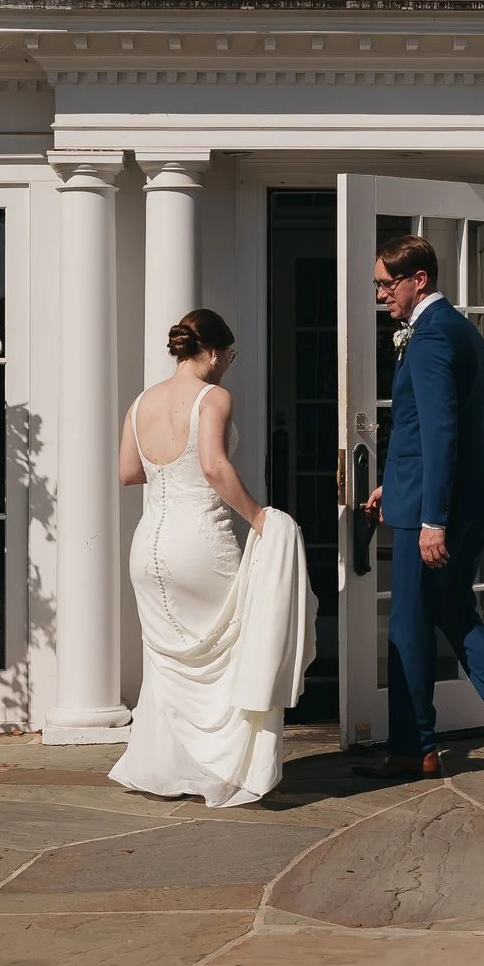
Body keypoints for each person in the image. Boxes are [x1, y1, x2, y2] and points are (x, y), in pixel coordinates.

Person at [352, 235, 484, 777]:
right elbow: (431, 430)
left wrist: (430, 516)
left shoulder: (432, 336)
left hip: (434, 510)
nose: (381, 295)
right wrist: (395, 482)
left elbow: (439, 433)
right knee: (454, 608)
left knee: (408, 626)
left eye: (387, 285)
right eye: (377, 285)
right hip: (464, 499)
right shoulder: (460, 330)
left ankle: (415, 749)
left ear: (420, 279)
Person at [109, 307, 315, 807]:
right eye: (232, 355)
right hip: (200, 542)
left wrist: (167, 477)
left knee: (169, 661)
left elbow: (127, 472)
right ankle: (225, 768)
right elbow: (213, 465)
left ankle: (169, 770)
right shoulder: (213, 396)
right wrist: (259, 517)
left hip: (149, 548)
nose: (230, 365)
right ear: (216, 351)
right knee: (235, 645)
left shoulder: (140, 403)